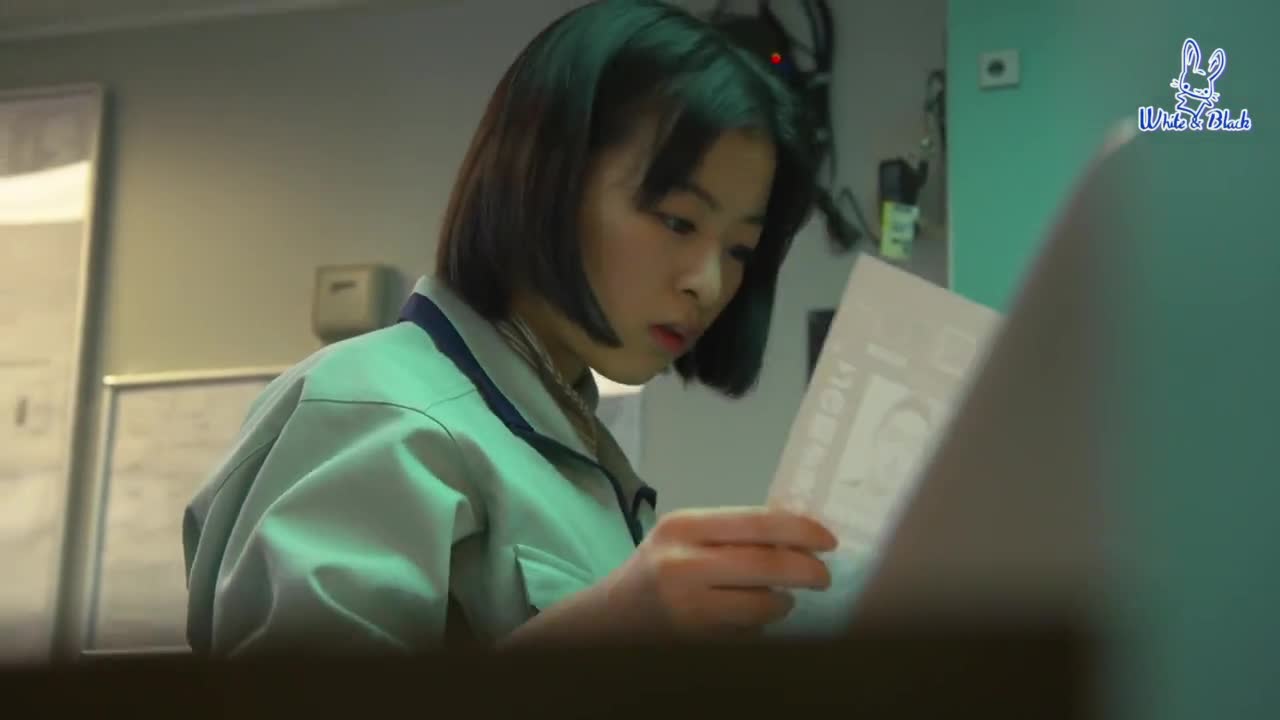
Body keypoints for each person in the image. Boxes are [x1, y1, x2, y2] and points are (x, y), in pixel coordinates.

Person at [182, 0, 837, 657]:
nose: (710, 284)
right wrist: (612, 630)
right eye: (678, 221)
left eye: (741, 250)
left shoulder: (571, 455)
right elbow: (302, 700)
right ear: (544, 178)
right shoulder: (376, 407)